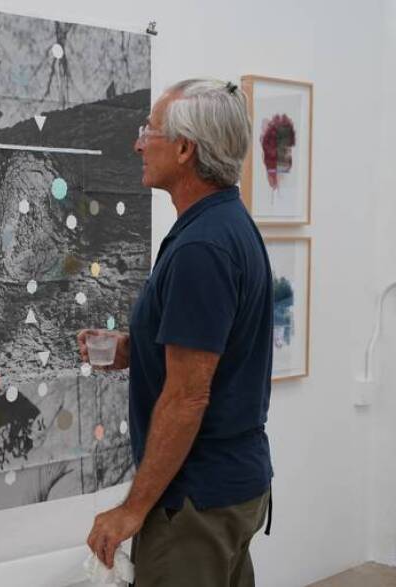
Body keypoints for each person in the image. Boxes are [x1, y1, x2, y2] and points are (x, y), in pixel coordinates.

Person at [78, 79, 274, 587]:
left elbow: (188, 396)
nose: (139, 143)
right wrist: (132, 349)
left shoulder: (201, 249)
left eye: (150, 131)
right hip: (227, 487)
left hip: (195, 502)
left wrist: (131, 511)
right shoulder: (223, 225)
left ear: (185, 149)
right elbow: (216, 351)